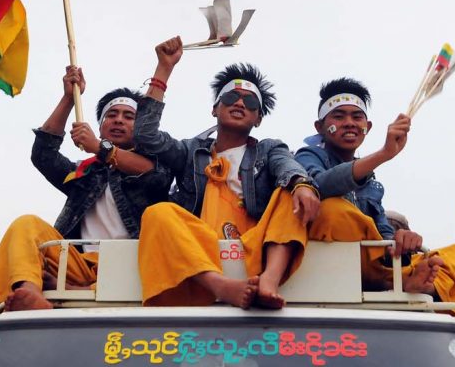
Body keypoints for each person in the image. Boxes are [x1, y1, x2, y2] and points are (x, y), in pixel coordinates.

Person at [134, 36, 320, 309]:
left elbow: (288, 166)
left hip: (254, 245)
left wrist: (302, 183)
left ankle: (269, 279)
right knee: (157, 213)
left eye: (251, 103)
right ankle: (219, 285)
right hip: (202, 244)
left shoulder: (268, 149)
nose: (240, 104)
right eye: (231, 97)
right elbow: (145, 136)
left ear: (258, 119)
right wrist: (164, 70)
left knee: (289, 191)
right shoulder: (191, 151)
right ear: (214, 109)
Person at [0, 66, 171, 317]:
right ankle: (30, 292)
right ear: (100, 127)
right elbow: (43, 155)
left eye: (128, 116)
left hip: (135, 266)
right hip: (80, 263)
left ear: (140, 128)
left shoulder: (156, 163)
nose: (119, 119)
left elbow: (155, 176)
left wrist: (101, 148)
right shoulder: (84, 173)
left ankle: (73, 288)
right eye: (111, 115)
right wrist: (68, 98)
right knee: (26, 225)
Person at [295, 77, 455, 318]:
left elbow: (383, 237)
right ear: (320, 127)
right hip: (333, 264)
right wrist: (384, 154)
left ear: (367, 126)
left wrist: (401, 241)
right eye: (338, 116)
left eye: (356, 117)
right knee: (334, 209)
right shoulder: (307, 156)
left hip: (376, 267)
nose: (349, 123)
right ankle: (397, 283)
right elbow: (318, 185)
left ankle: (414, 285)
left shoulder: (371, 184)